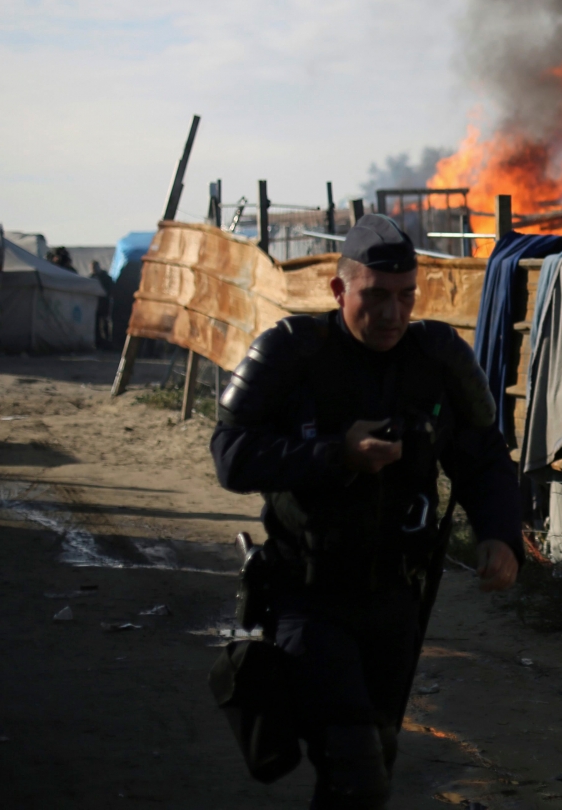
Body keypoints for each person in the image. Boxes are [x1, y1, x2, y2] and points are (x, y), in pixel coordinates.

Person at [211, 214, 522, 809]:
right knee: (355, 766)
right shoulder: (292, 354)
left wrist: (499, 536)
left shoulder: (436, 361)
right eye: (374, 297)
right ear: (338, 290)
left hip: (396, 604)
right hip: (308, 596)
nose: (391, 315)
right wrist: (336, 455)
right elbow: (231, 455)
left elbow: (483, 458)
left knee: (369, 762)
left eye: (405, 298)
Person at [89, 260, 115, 349]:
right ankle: (99, 342)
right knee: (96, 324)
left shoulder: (105, 278)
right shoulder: (92, 277)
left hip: (104, 304)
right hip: (95, 305)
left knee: (104, 323)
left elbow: (110, 290)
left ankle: (107, 342)